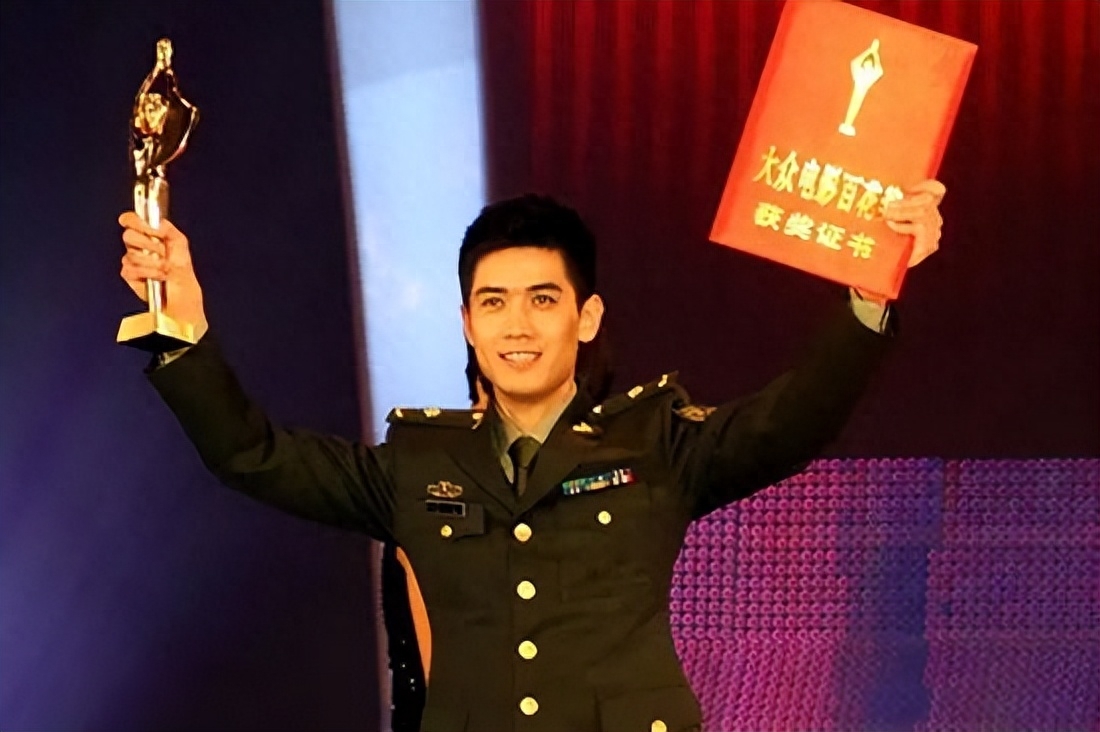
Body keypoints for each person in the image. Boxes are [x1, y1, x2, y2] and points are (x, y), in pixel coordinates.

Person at [118, 184, 945, 731]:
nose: (517, 326)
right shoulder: (417, 463)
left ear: (587, 318)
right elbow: (252, 454)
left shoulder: (657, 443)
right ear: (467, 324)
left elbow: (795, 421)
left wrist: (870, 294)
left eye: (542, 300)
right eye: (494, 303)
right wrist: (181, 324)